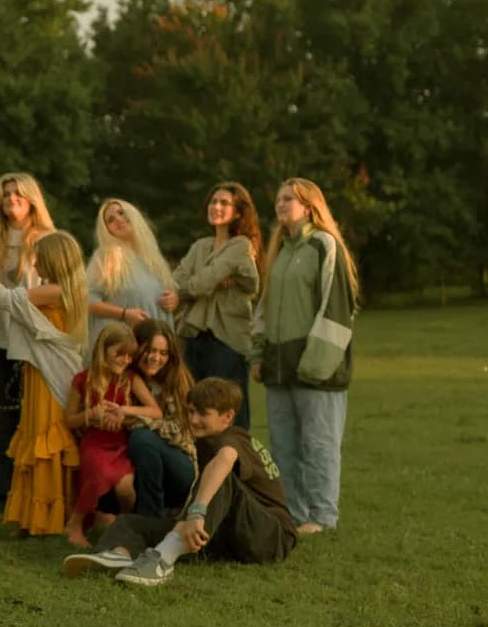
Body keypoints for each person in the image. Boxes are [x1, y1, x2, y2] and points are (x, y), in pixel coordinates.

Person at [62, 377, 298, 586]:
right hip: (235, 535)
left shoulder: (232, 438)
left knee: (220, 479)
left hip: (272, 537)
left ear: (228, 416)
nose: (194, 420)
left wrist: (195, 514)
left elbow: (225, 460)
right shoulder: (208, 438)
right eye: (191, 411)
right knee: (130, 522)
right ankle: (118, 555)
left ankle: (162, 560)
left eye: (203, 414)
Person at [251, 177, 359, 535]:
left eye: (289, 200)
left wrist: (315, 366)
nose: (281, 205)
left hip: (316, 369)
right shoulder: (279, 250)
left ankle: (322, 515)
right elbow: (264, 308)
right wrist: (259, 355)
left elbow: (338, 309)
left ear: (309, 206)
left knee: (319, 443)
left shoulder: (324, 246)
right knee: (284, 445)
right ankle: (293, 513)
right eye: (279, 199)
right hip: (278, 368)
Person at [0, 231, 86, 538]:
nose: (35, 263)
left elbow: (3, 299)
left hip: (49, 375)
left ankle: (49, 517)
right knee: (34, 434)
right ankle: (33, 515)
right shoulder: (61, 290)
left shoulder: (54, 291)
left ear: (53, 261)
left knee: (46, 437)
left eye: (39, 258)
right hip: (39, 371)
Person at [0, 173, 57, 519]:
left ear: (32, 199)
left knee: (38, 420)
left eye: (18, 195)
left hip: (34, 341)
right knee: (5, 420)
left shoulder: (48, 240)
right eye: (6, 195)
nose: (11, 200)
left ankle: (37, 497)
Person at [163, 182, 262, 429]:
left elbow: (202, 282)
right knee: (194, 409)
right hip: (194, 338)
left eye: (224, 203)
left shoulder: (240, 245)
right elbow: (178, 278)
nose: (216, 206)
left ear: (238, 212)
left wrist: (185, 293)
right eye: (213, 201)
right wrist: (197, 285)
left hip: (227, 341)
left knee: (226, 412)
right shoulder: (200, 246)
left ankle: (235, 464)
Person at [64, 323, 161, 548]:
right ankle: (75, 524)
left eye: (130, 356)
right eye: (120, 354)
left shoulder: (130, 380)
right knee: (98, 472)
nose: (125, 360)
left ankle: (122, 525)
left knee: (127, 489)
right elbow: (69, 420)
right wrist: (90, 414)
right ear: (103, 350)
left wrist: (124, 410)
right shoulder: (82, 380)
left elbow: (155, 411)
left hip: (119, 445)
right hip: (94, 444)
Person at [126, 319, 196, 518]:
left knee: (142, 438)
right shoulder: (126, 378)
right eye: (149, 350)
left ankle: (150, 518)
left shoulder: (177, 381)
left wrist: (133, 419)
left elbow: (178, 431)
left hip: (179, 462)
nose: (155, 358)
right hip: (140, 467)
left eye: (163, 353)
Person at [86, 198, 173, 346]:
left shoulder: (153, 257)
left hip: (155, 349)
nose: (119, 220)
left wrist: (173, 299)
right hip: (123, 348)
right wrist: (124, 314)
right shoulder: (105, 258)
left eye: (121, 212)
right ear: (106, 230)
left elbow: (163, 293)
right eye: (111, 220)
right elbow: (88, 302)